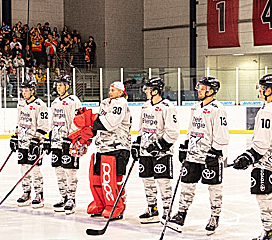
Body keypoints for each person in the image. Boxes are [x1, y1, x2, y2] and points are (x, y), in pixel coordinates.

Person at [232, 74, 272, 240]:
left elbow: (262, 143)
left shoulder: (267, 111)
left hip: (266, 160)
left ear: (269, 89)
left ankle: (269, 235)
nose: (260, 90)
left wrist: (248, 157)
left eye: (262, 87)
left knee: (264, 196)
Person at [168, 77, 229, 234]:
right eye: (199, 88)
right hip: (193, 154)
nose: (199, 90)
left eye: (203, 88)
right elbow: (191, 128)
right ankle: (181, 213)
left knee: (214, 187)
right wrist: (185, 145)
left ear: (211, 90)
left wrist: (215, 151)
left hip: (211, 156)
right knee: (187, 184)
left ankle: (215, 216)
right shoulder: (195, 107)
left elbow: (222, 134)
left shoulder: (218, 109)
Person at [73, 81, 131, 220]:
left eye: (113, 90)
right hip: (102, 147)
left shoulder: (121, 103)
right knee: (97, 177)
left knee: (114, 179)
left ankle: (117, 205)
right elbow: (98, 123)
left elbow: (110, 123)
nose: (110, 92)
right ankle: (101, 203)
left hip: (118, 146)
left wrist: (90, 120)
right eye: (110, 89)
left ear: (121, 92)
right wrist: (87, 134)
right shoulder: (105, 103)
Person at [134, 77, 178, 224]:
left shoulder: (167, 107)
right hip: (145, 152)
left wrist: (159, 145)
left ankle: (167, 209)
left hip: (161, 153)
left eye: (147, 89)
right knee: (147, 181)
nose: (145, 91)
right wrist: (137, 144)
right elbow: (142, 127)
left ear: (155, 91)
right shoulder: (145, 106)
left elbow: (173, 132)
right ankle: (152, 209)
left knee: (163, 182)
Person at [10, 78, 49, 207]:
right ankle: (26, 192)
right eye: (22, 90)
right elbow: (19, 122)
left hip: (35, 143)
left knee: (35, 169)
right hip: (23, 142)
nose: (24, 92)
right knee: (23, 168)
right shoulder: (21, 104)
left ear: (32, 91)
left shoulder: (40, 105)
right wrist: (15, 136)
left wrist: (37, 139)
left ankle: (39, 194)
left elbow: (44, 126)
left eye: (26, 90)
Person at [48, 75, 82, 214]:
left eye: (61, 85)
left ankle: (71, 199)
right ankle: (63, 197)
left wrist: (72, 137)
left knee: (70, 171)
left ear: (67, 86)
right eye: (57, 85)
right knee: (58, 170)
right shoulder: (55, 102)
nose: (58, 87)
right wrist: (49, 137)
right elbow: (54, 120)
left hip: (70, 142)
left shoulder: (74, 101)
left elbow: (79, 121)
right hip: (56, 141)